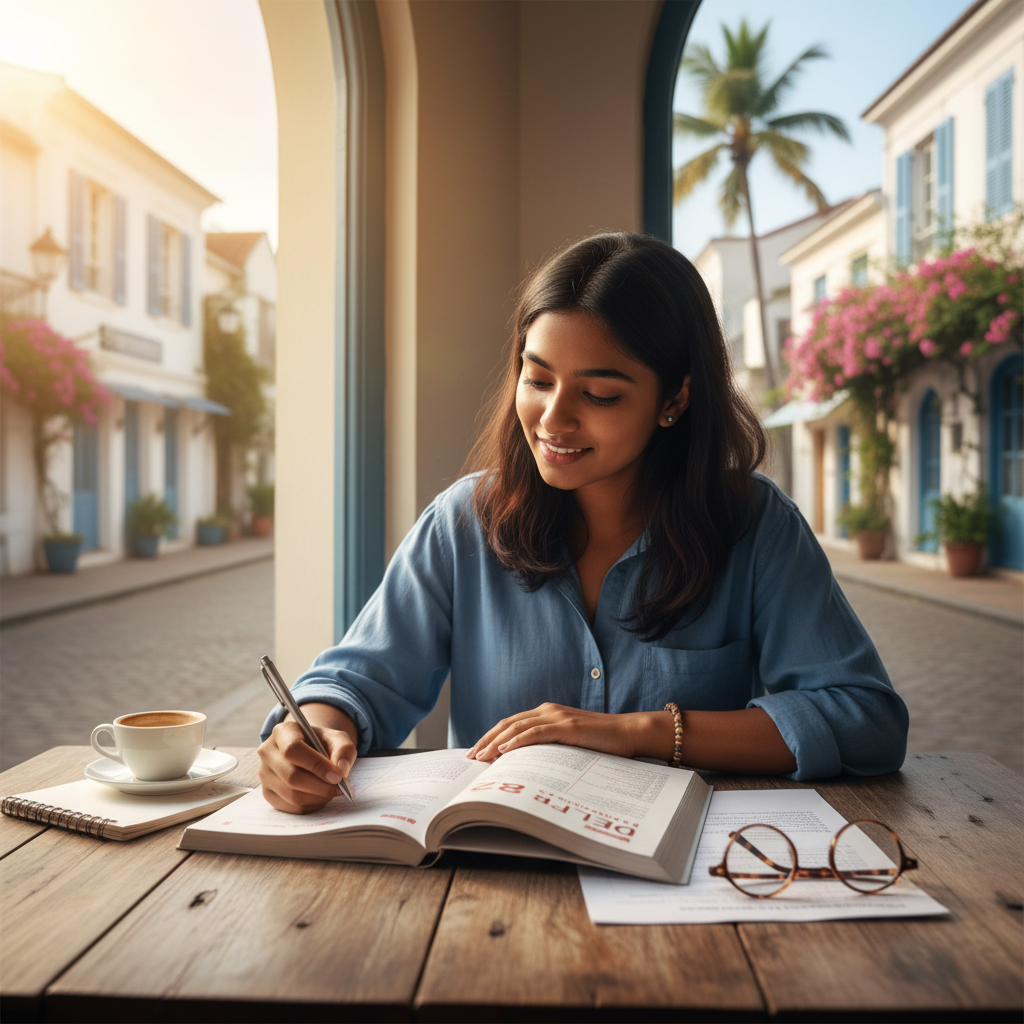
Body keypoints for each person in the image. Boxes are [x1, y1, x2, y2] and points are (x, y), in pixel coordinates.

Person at [258, 232, 908, 814]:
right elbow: (356, 682)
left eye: (599, 395)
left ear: (675, 399)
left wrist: (640, 731)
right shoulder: (463, 523)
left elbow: (867, 720)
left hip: (689, 884)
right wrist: (316, 732)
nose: (553, 419)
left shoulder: (756, 525)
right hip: (492, 879)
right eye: (537, 380)